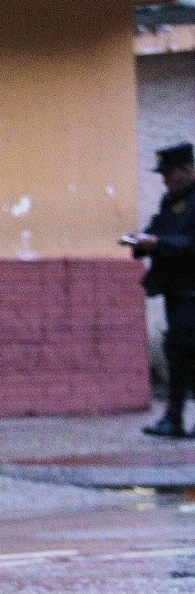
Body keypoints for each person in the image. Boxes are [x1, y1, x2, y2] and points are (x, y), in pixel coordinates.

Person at [126, 141, 195, 437]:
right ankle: (174, 418)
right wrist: (140, 241)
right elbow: (158, 231)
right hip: (176, 291)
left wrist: (159, 244)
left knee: (188, 352)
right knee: (177, 354)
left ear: (187, 170)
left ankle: (175, 417)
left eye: (169, 173)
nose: (164, 179)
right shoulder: (170, 202)